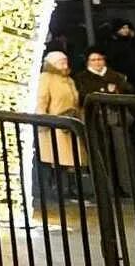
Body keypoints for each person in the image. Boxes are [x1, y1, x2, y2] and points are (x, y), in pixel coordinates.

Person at [76, 49, 135, 193]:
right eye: (93, 60)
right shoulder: (81, 78)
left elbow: (129, 90)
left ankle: (125, 186)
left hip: (116, 118)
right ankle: (107, 187)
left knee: (121, 153)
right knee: (102, 153)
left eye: (100, 59)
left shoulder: (116, 76)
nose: (97, 62)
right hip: (95, 121)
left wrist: (114, 91)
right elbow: (83, 96)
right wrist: (106, 92)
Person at [35, 51, 84, 207]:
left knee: (71, 159)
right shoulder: (46, 79)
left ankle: (70, 188)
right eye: (61, 62)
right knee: (58, 158)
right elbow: (41, 100)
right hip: (54, 125)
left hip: (70, 122)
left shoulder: (68, 79)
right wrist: (42, 120)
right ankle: (59, 189)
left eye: (65, 61)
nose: (65, 64)